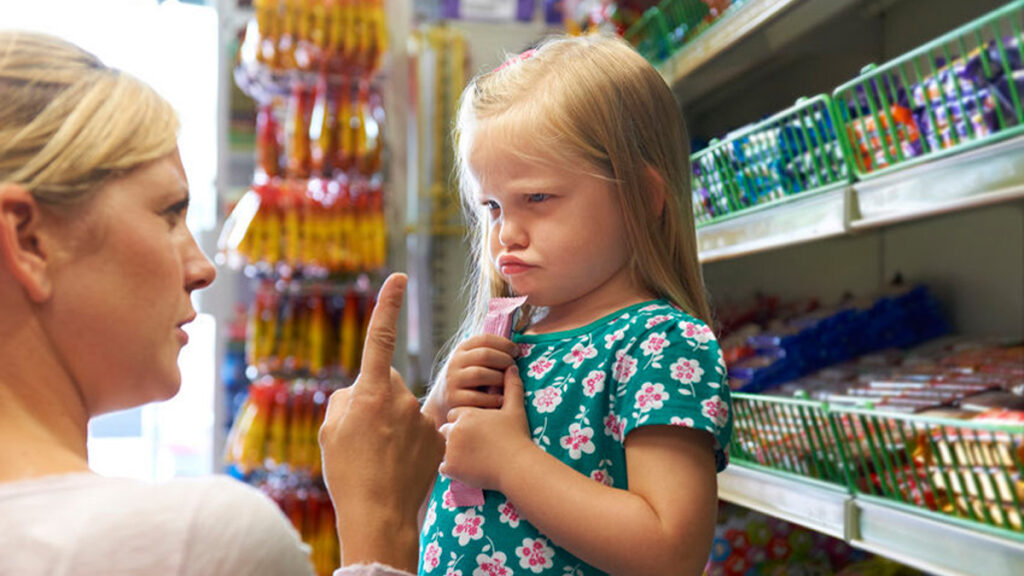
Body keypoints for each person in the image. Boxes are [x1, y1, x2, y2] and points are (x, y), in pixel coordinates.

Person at [0, 30, 443, 576]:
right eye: (168, 214)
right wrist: (383, 518)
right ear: (28, 240)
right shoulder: (194, 543)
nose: (203, 268)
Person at [420, 33, 733, 576]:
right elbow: (409, 491)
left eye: (537, 199)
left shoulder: (660, 344)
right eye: (491, 206)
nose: (505, 234)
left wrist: (512, 464)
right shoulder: (514, 338)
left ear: (643, 197)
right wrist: (438, 406)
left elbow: (671, 551)